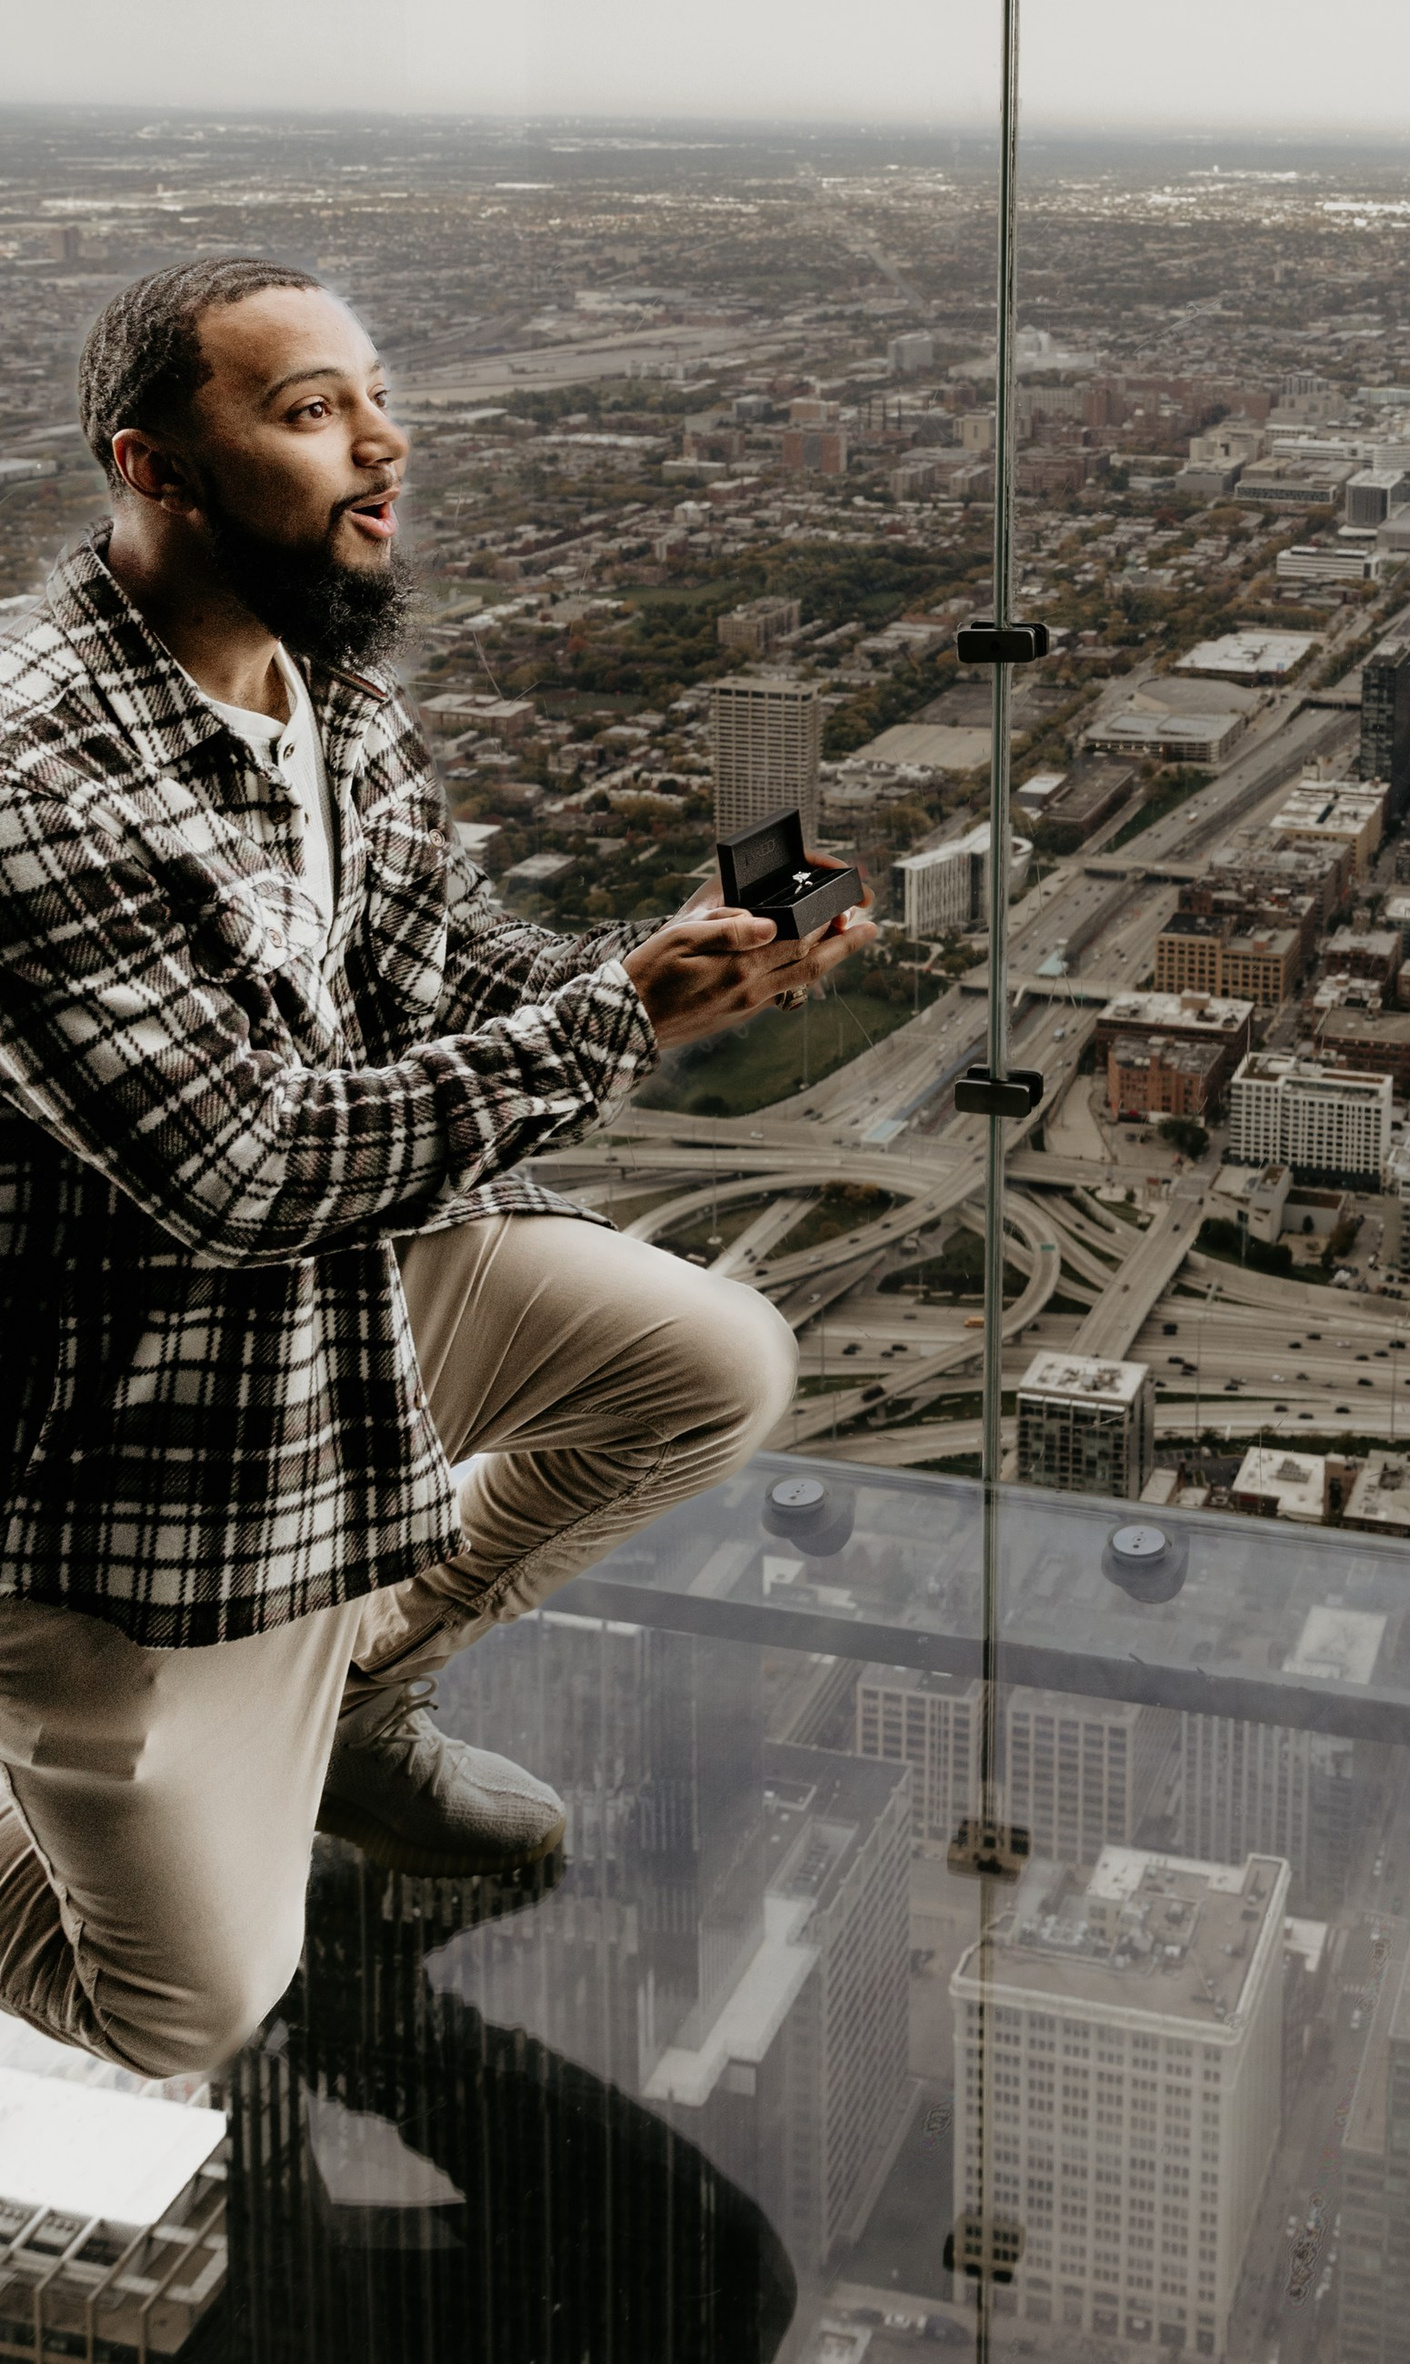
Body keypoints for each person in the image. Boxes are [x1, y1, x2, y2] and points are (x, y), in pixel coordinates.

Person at [0, 256, 871, 2084]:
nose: (384, 442)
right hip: (113, 1442)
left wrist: (675, 967)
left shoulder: (332, 704)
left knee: (709, 1362)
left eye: (376, 394)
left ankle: (357, 1701)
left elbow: (441, 984)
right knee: (179, 2011)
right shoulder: (30, 775)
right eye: (312, 410)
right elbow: (240, 1162)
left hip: (327, 1306)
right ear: (150, 466)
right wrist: (613, 1025)